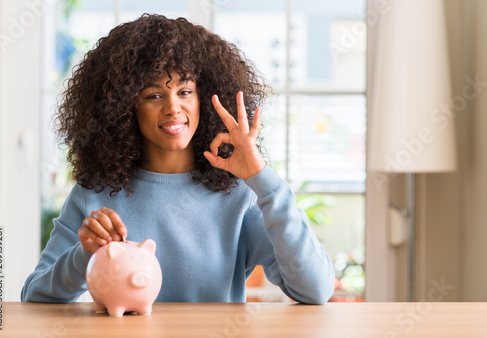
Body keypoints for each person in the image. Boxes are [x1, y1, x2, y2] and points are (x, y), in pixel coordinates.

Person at [21, 14, 334, 304]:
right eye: (154, 95)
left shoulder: (240, 194)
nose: (173, 108)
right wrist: (85, 255)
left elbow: (315, 289)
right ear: (124, 108)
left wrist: (262, 179)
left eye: (184, 91)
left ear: (204, 98)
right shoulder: (95, 194)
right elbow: (35, 297)